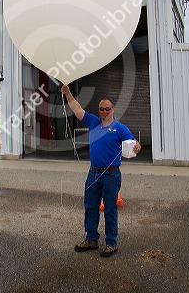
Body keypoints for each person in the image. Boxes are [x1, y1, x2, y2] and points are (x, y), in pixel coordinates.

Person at [61, 84, 141, 257]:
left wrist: (136, 147)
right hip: (93, 172)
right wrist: (68, 94)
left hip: (111, 174)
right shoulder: (93, 122)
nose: (104, 111)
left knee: (110, 208)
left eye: (107, 109)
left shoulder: (120, 128)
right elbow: (77, 109)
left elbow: (134, 143)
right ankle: (91, 239)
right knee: (90, 206)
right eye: (101, 109)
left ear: (113, 109)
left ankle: (111, 243)